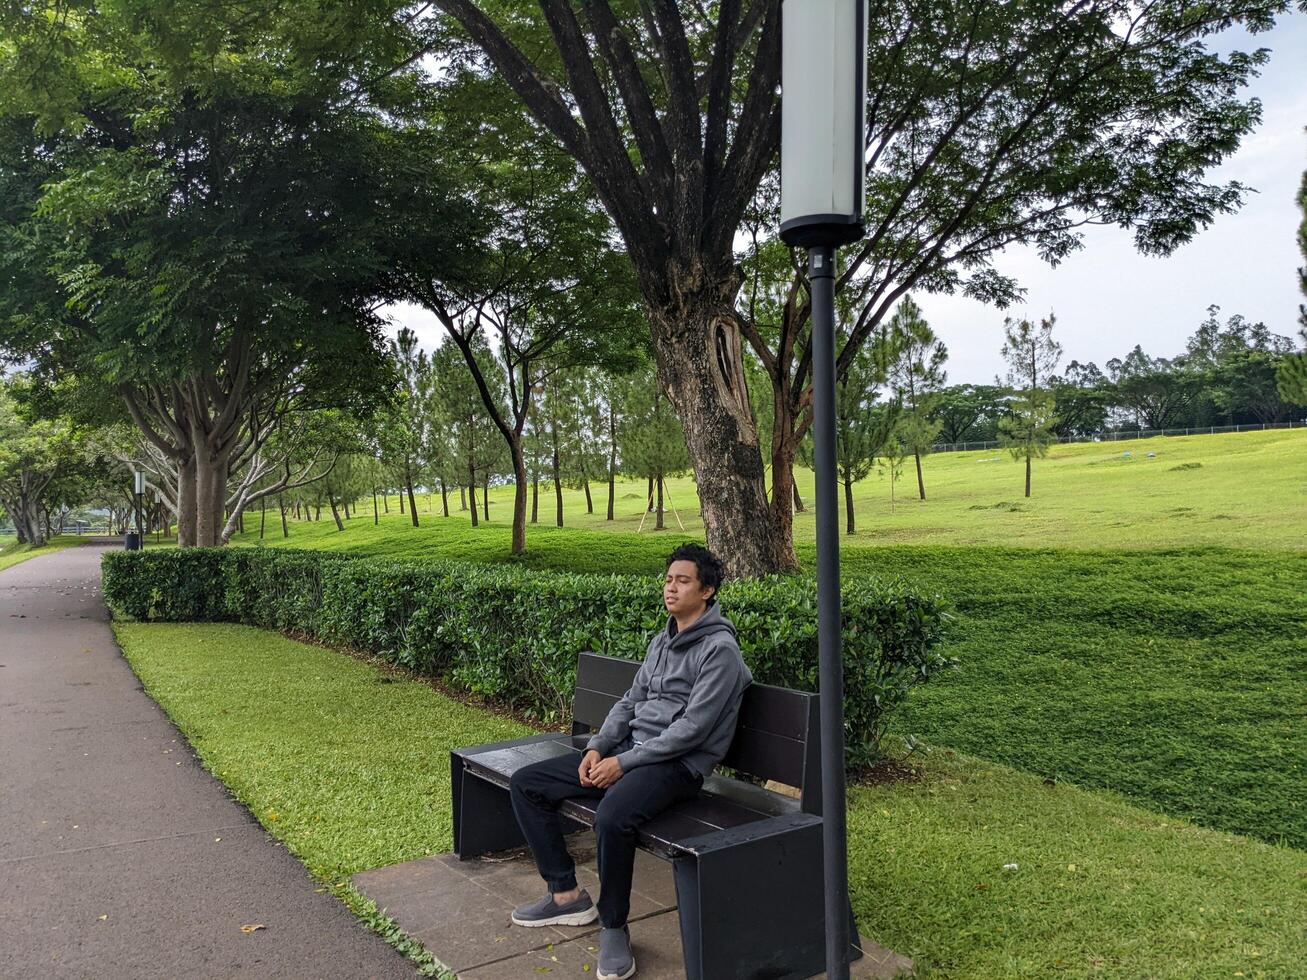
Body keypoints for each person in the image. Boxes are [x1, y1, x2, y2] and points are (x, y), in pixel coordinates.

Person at [507, 543, 753, 980]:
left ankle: (614, 926)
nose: (671, 588)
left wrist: (625, 764)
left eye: (683, 580)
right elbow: (630, 700)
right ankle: (565, 895)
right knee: (527, 783)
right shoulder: (663, 639)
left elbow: (692, 729)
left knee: (613, 816)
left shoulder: (720, 652)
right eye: (668, 579)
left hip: (677, 767)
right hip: (629, 754)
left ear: (708, 590)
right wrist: (598, 748)